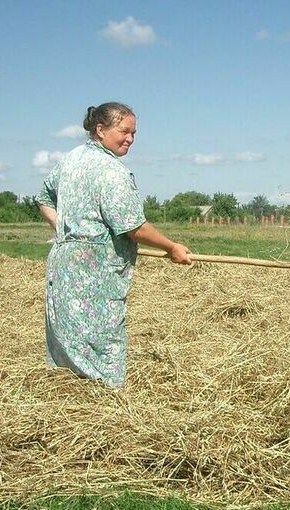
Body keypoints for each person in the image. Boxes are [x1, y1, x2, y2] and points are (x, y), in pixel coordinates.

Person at [35, 102, 192, 387]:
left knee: (69, 333)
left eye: (134, 133)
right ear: (100, 130)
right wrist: (171, 247)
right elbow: (134, 227)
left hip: (63, 263)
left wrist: (66, 229)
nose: (130, 139)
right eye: (124, 131)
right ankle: (105, 400)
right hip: (95, 270)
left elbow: (44, 198)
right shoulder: (111, 172)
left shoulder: (70, 160)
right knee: (101, 337)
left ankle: (70, 395)